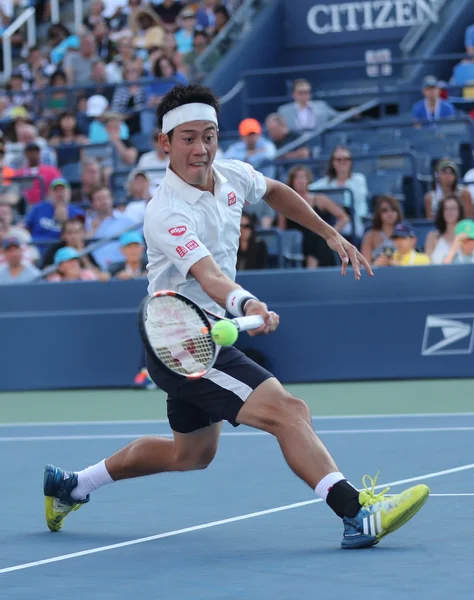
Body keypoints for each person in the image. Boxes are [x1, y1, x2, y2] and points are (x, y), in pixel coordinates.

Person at [44, 84, 429, 550]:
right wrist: (246, 304)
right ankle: (355, 513)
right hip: (177, 338)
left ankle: (73, 485)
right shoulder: (165, 212)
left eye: (209, 135)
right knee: (290, 411)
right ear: (165, 143)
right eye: (188, 138)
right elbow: (208, 275)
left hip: (207, 332)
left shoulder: (233, 176)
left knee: (192, 454)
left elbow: (277, 191)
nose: (201, 148)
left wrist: (329, 233)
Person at [361, 196, 403, 265]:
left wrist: (397, 265)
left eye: (393, 209)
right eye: (385, 210)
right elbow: (364, 266)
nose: (390, 213)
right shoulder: (370, 237)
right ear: (378, 214)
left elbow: (411, 261)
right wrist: (375, 265)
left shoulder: (405, 235)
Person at [424, 195, 465, 265]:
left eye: (453, 208)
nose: (449, 212)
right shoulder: (432, 236)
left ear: (459, 211)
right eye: (446, 209)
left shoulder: (467, 235)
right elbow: (427, 264)